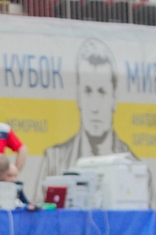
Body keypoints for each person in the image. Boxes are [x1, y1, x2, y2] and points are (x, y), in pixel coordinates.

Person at [37, 39, 136, 184]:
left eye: (102, 92)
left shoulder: (135, 168)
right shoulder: (54, 162)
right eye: (87, 91)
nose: (94, 107)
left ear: (114, 97)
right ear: (78, 97)